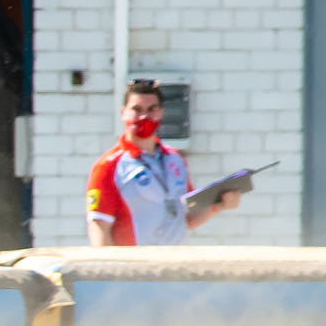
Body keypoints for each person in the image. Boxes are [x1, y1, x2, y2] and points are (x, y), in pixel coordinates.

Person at [86, 77, 243, 246]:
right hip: (135, 268)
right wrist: (108, 269)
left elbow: (186, 219)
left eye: (151, 109)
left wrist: (218, 205)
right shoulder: (110, 166)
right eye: (137, 109)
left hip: (175, 266)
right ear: (123, 113)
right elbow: (99, 226)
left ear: (161, 112)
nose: (144, 116)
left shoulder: (175, 159)